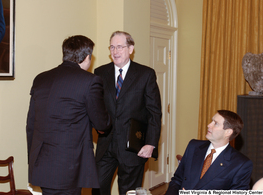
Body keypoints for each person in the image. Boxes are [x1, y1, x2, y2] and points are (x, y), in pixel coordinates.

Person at [26, 35, 111, 195]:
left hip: (41, 164)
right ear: (87, 57)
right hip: (68, 167)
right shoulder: (90, 81)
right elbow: (102, 123)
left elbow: (31, 124)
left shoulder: (40, 78)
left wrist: (33, 159)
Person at [92, 31, 162, 195]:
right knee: (97, 189)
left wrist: (150, 143)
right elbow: (96, 106)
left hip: (133, 147)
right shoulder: (100, 73)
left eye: (120, 47)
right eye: (112, 47)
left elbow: (154, 113)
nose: (115, 51)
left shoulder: (146, 74)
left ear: (130, 49)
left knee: (128, 192)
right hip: (105, 146)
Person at [165, 110, 253, 195]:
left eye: (215, 123)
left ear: (228, 132)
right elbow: (177, 179)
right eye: (211, 121)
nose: (208, 125)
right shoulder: (193, 146)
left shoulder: (241, 164)